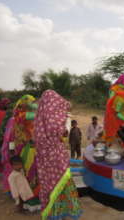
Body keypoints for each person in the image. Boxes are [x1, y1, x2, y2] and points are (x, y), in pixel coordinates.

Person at [34, 90, 82, 220]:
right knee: (61, 181)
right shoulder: (54, 122)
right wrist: (67, 119)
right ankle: (60, 212)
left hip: (44, 159)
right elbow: (63, 133)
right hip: (56, 157)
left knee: (47, 183)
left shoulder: (39, 119)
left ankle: (52, 212)